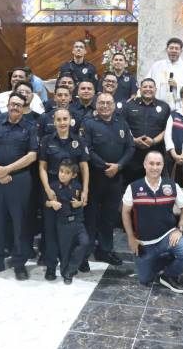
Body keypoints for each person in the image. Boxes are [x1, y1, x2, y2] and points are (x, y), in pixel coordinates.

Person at [0, 93, 39, 280]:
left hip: (19, 180)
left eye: (19, 105)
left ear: (24, 107)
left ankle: (19, 264)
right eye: (12, 104)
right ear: (8, 105)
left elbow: (32, 155)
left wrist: (7, 170)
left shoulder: (30, 127)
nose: (15, 107)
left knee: (20, 223)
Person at [121, 150, 183, 293]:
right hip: (144, 243)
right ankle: (165, 258)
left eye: (158, 164)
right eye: (151, 163)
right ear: (145, 165)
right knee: (145, 279)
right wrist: (130, 237)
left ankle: (168, 275)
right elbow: (125, 212)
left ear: (163, 165)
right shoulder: (133, 187)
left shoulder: (172, 186)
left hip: (167, 237)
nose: (155, 167)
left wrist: (180, 229)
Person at [81, 92, 135, 265]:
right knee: (90, 216)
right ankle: (85, 253)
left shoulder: (122, 123)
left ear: (113, 105)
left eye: (108, 103)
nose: (105, 106)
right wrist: (105, 166)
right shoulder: (88, 124)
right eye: (101, 103)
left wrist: (118, 166)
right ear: (96, 105)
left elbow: (130, 147)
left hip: (116, 178)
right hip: (95, 177)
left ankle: (105, 250)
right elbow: (87, 149)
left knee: (109, 216)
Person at [42, 155, 92, 284]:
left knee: (85, 242)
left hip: (78, 222)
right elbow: (45, 202)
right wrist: (52, 203)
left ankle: (72, 267)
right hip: (63, 223)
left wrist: (79, 203)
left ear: (74, 175)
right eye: (61, 171)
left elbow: (83, 202)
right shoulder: (53, 187)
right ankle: (67, 273)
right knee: (65, 251)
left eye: (67, 172)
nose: (63, 175)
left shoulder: (77, 186)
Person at [122, 78, 170, 182]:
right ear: (140, 89)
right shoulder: (129, 105)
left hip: (156, 152)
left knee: (155, 183)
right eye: (145, 87)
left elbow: (167, 129)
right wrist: (133, 140)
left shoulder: (164, 106)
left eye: (151, 87)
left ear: (155, 89)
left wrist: (153, 141)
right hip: (132, 153)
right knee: (132, 184)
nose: (148, 89)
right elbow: (123, 126)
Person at [147, 37, 183, 110]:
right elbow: (147, 83)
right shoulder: (157, 66)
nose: (174, 50)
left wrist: (177, 85)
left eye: (176, 48)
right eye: (171, 48)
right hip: (157, 106)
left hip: (178, 107)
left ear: (181, 51)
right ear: (166, 49)